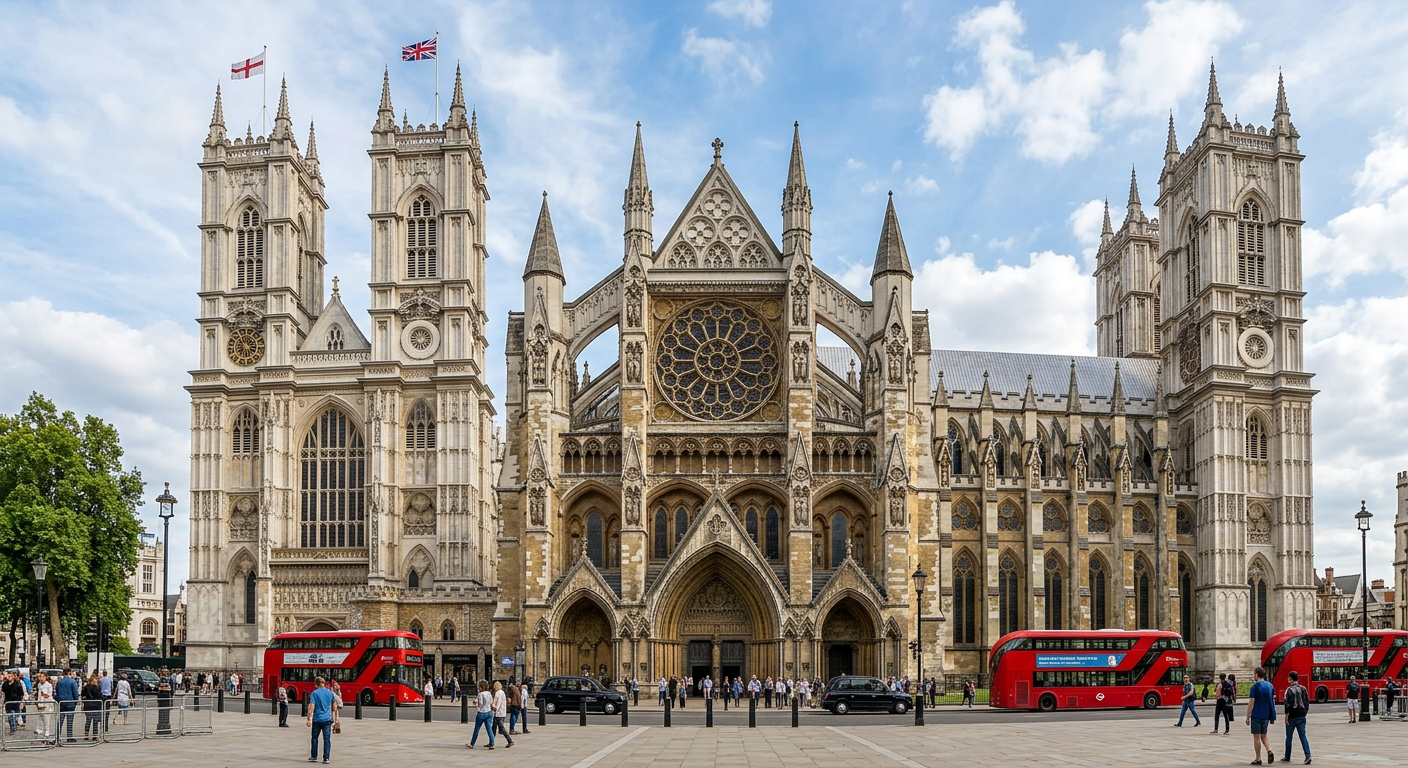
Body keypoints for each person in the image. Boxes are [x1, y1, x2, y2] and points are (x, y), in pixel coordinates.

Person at [1246, 666, 1277, 765]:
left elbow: (1251, 702)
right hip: (1266, 715)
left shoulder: (1255, 687)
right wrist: (1272, 715)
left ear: (1256, 674)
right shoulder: (1270, 685)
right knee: (1264, 735)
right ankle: (1269, 750)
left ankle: (1258, 758)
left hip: (1256, 715)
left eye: (1254, 673)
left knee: (1256, 737)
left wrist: (1247, 716)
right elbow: (1272, 700)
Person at [1282, 669, 1311, 764]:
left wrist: (1286, 717)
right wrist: (1304, 713)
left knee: (1289, 737)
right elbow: (1307, 702)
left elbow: (1287, 705)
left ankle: (1287, 756)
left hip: (1292, 716)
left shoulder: (1288, 690)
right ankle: (1308, 755)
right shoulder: (1303, 689)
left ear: (1290, 679)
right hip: (1301, 715)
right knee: (1303, 736)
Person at [306, 676, 337, 764]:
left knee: (315, 738)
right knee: (327, 739)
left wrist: (309, 719)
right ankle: (326, 758)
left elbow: (311, 707)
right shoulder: (330, 693)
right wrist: (334, 718)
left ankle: (314, 756)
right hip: (327, 719)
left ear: (316, 684)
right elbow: (334, 707)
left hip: (317, 719)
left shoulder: (314, 693)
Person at [466, 680, 495, 749]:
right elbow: (491, 702)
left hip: (482, 713)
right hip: (489, 712)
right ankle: (492, 743)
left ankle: (472, 744)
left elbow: (480, 703)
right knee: (489, 729)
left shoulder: (480, 694)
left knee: (477, 729)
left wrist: (476, 705)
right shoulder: (489, 693)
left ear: (481, 687)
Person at [55, 668, 80, 743]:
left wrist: (59, 700)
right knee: (70, 720)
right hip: (70, 702)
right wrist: (75, 701)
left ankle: (58, 735)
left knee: (61, 720)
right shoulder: (73, 681)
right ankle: (69, 736)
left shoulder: (59, 682)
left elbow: (57, 691)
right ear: (69, 673)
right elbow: (75, 693)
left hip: (62, 702)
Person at [491, 680, 514, 748]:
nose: (493, 687)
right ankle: (491, 742)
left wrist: (494, 707)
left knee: (501, 728)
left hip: (499, 713)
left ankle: (510, 741)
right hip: (501, 713)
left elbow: (499, 703)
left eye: (494, 686)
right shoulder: (502, 692)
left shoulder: (498, 693)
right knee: (494, 727)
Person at [4, 670, 28, 735]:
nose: (9, 677)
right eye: (8, 676)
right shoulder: (5, 684)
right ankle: (12, 729)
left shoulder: (18, 684)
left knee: (15, 717)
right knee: (10, 717)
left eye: (10, 676)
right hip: (8, 703)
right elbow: (3, 693)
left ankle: (14, 726)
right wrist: (1, 702)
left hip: (16, 703)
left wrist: (22, 703)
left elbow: (22, 694)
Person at [34, 672, 55, 744]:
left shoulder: (49, 685)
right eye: (39, 677)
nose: (41, 678)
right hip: (40, 704)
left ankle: (47, 736)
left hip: (47, 705)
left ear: (45, 677)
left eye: (42, 676)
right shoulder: (39, 685)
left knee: (47, 721)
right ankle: (42, 733)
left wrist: (45, 698)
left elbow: (49, 695)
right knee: (41, 720)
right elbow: (39, 695)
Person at [81, 672, 102, 741]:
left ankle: (86, 734)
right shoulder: (97, 688)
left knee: (88, 720)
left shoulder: (86, 687)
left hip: (88, 705)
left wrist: (83, 704)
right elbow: (100, 696)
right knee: (95, 721)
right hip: (96, 705)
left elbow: (82, 695)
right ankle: (95, 735)